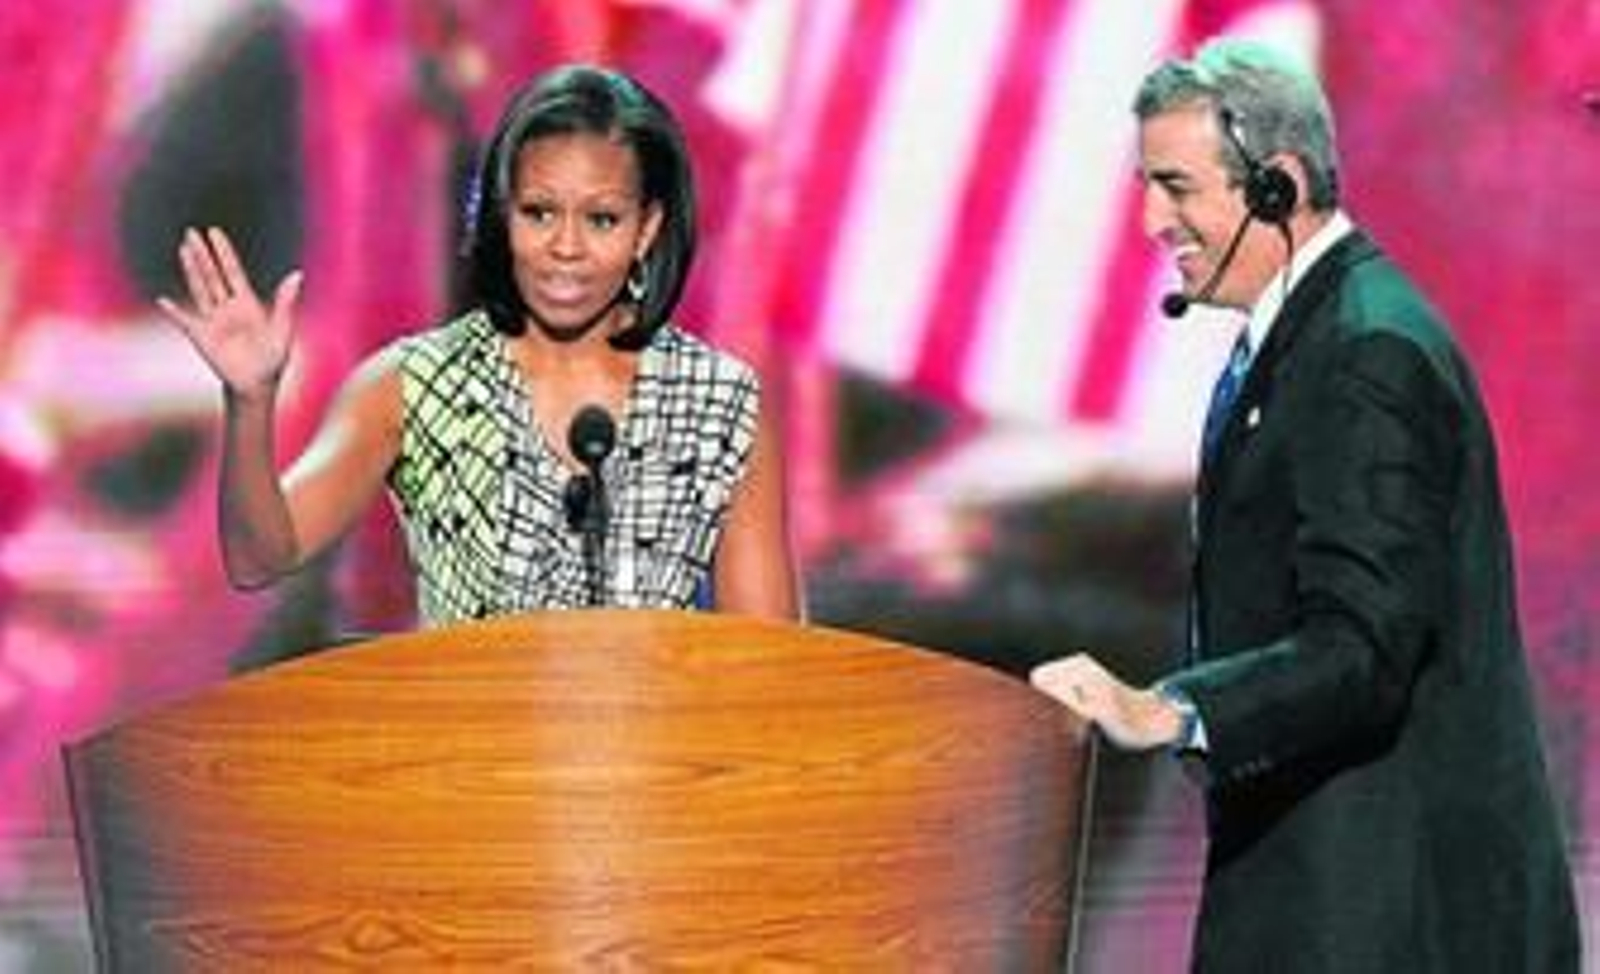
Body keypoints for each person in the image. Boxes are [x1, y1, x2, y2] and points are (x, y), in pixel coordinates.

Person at [1029, 38, 1578, 972]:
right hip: (1326, 902)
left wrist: (1168, 711)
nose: (1153, 219)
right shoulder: (1311, 338)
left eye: (1177, 185)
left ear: (1276, 186)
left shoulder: (1365, 354)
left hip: (1384, 921)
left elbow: (1365, 645)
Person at [158, 64, 799, 625]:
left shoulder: (721, 403)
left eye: (601, 219)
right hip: (462, 747)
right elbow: (259, 555)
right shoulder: (411, 384)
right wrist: (250, 404)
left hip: (659, 752)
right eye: (539, 213)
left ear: (646, 228)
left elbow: (770, 666)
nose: (566, 249)